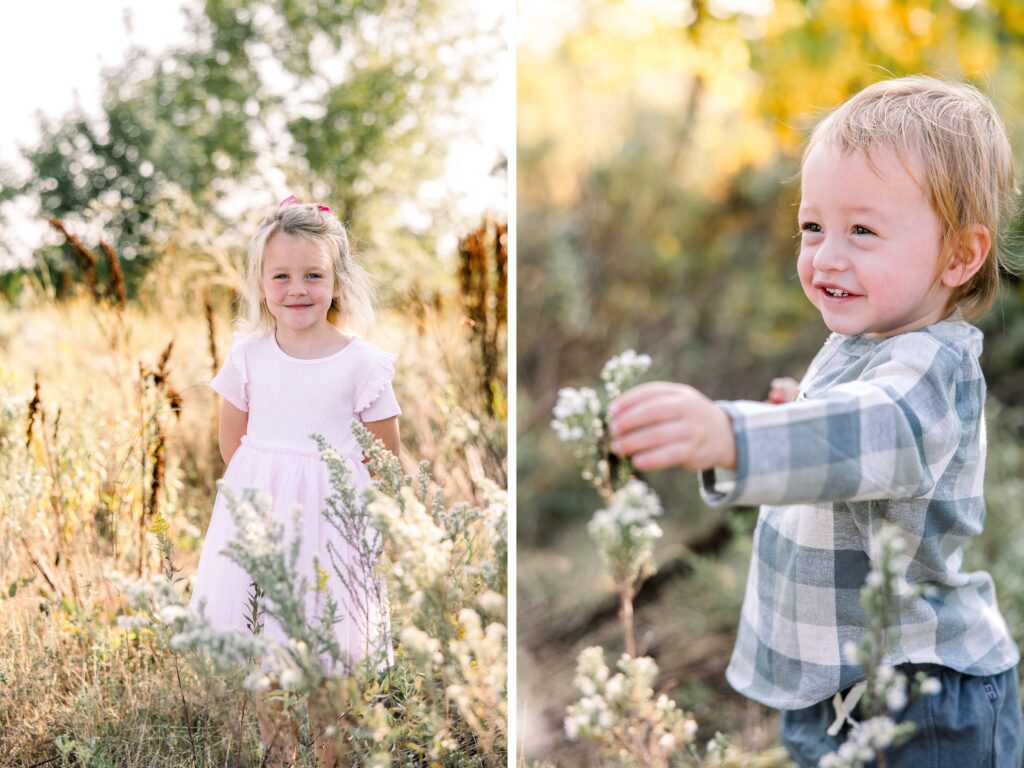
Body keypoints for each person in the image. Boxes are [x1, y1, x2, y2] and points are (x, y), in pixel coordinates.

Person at [608, 76, 1023, 766]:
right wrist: (795, 409)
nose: (827, 255)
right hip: (839, 695)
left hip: (918, 706)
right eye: (813, 227)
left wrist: (732, 434)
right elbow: (844, 438)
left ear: (959, 255)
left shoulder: (931, 365)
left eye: (862, 230)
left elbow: (871, 430)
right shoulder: (867, 344)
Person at [189, 196, 401, 765]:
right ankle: (279, 756)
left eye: (313, 274)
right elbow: (231, 442)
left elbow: (386, 463)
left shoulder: (362, 364)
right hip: (262, 517)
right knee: (269, 653)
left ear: (337, 281)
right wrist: (263, 496)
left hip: (335, 524)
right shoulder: (248, 356)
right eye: (281, 276)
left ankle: (334, 759)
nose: (297, 289)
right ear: (261, 284)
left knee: (332, 657)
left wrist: (369, 526)